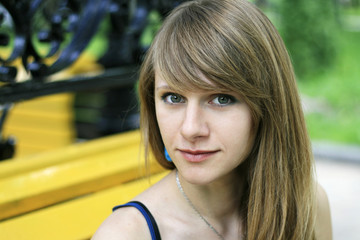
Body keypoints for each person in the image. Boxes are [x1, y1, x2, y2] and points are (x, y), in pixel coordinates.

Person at [92, 0, 332, 239]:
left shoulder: (306, 207)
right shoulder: (126, 234)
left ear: (269, 106)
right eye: (173, 97)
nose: (190, 129)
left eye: (221, 99)